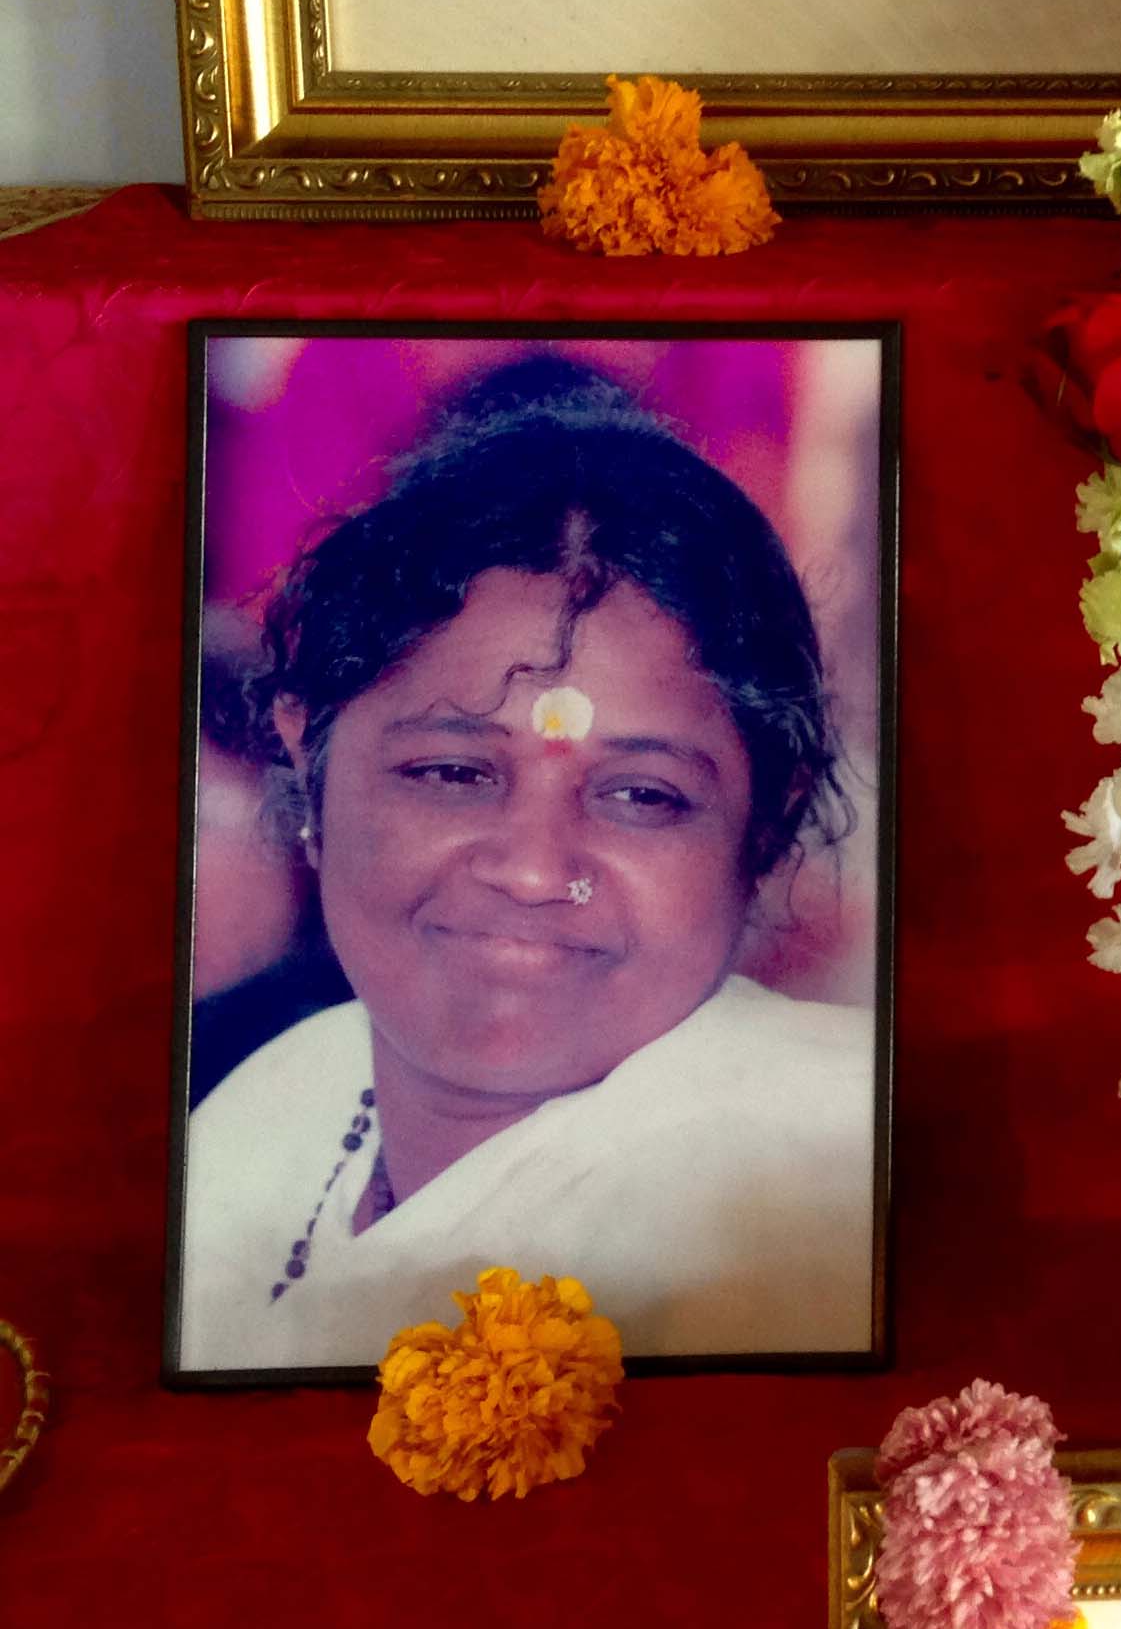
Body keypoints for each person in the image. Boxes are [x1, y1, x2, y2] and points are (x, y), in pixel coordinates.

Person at [179, 357, 875, 1369]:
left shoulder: (824, 1176)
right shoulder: (263, 1105)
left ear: (768, 826)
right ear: (308, 761)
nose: (535, 868)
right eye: (452, 771)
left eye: (642, 794)